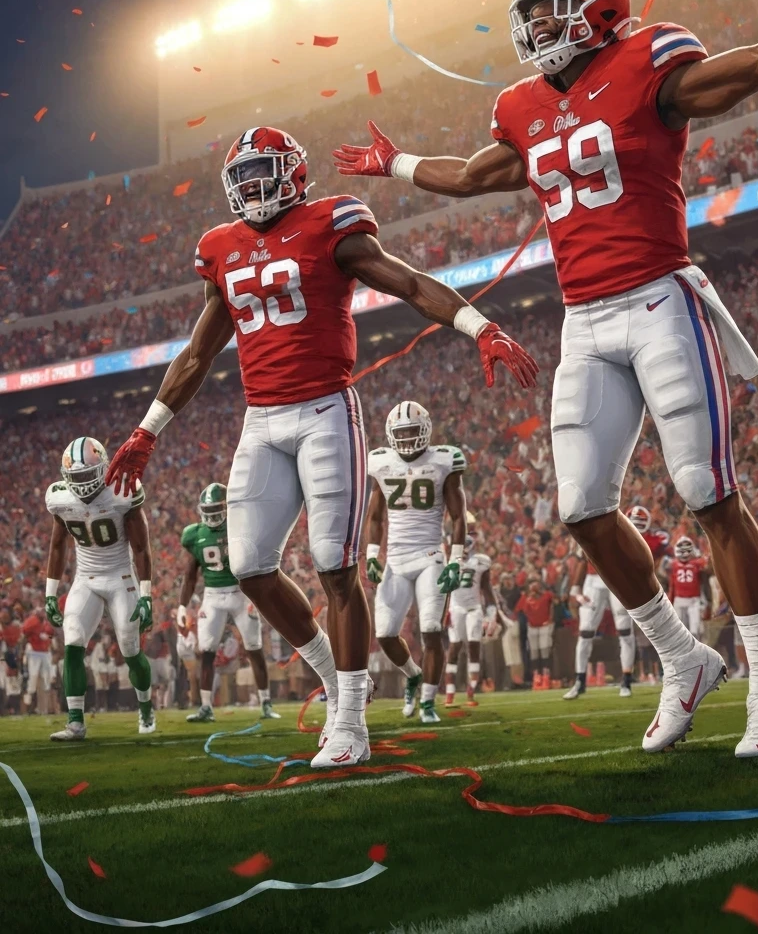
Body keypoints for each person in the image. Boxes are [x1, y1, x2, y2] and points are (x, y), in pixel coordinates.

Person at [334, 0, 758, 756]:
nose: (534, 30)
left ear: (598, 7)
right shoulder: (523, 103)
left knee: (709, 495)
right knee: (580, 508)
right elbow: (476, 175)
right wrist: (399, 164)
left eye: (547, 10)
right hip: (585, 322)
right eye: (528, 15)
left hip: (662, 299)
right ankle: (683, 657)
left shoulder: (648, 59)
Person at [105, 129, 536, 768]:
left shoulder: (328, 223)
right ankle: (336, 679)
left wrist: (479, 325)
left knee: (336, 566)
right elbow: (199, 352)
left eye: (263, 172)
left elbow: (411, 284)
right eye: (242, 175)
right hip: (261, 420)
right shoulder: (222, 248)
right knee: (250, 565)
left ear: (293, 174)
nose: (251, 187)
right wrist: (147, 430)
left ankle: (353, 719)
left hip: (325, 412)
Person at [43, 437, 156, 740]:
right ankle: (76, 721)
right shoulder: (59, 498)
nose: (81, 485)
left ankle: (145, 708)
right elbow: (56, 546)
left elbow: (142, 549)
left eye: (86, 476)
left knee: (130, 649)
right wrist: (50, 594)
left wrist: (146, 596)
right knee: (73, 642)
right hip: (86, 578)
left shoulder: (121, 492)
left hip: (121, 577)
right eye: (75, 478)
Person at [366, 402, 467, 723]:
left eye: (412, 432)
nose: (407, 439)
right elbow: (375, 515)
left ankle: (427, 702)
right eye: (401, 433)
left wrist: (456, 560)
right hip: (395, 559)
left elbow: (458, 517)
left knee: (431, 629)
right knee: (384, 634)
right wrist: (371, 555)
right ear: (390, 435)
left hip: (429, 556)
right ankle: (412, 674)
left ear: (425, 430)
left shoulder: (443, 461)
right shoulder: (381, 463)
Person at [177, 483, 279, 723]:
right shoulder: (195, 534)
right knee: (207, 652)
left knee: (254, 648)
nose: (212, 515)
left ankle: (265, 702)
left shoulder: (240, 526)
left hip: (241, 592)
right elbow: (190, 575)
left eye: (217, 509)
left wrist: (260, 595)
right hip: (212, 595)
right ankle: (205, 707)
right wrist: (182, 606)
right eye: (208, 510)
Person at [565, 547, 636, 699]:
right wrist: (575, 589)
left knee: (624, 631)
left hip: (617, 578)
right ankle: (580, 681)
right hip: (593, 581)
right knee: (585, 633)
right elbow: (583, 560)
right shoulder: (587, 527)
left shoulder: (619, 528)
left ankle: (626, 680)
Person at [446, 521, 498, 704]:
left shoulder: (480, 562)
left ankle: (471, 690)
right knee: (454, 647)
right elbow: (442, 589)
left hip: (474, 608)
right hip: (456, 607)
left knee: (474, 647)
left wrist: (492, 615)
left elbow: (487, 589)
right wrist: (443, 611)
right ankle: (450, 692)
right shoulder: (449, 561)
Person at [668, 537, 710, 641]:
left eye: (687, 549)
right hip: (680, 601)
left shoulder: (696, 563)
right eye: (682, 549)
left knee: (694, 632)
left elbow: (707, 562)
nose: (684, 552)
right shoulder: (674, 564)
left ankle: (696, 653)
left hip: (693, 601)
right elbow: (672, 585)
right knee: (680, 632)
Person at [21, 605, 54, 714]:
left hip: (45, 653)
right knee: (32, 680)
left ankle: (43, 709)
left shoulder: (47, 622)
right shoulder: (32, 621)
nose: (43, 614)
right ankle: (26, 709)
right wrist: (36, 634)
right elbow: (24, 632)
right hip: (34, 652)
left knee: (45, 681)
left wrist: (47, 637)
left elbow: (52, 636)